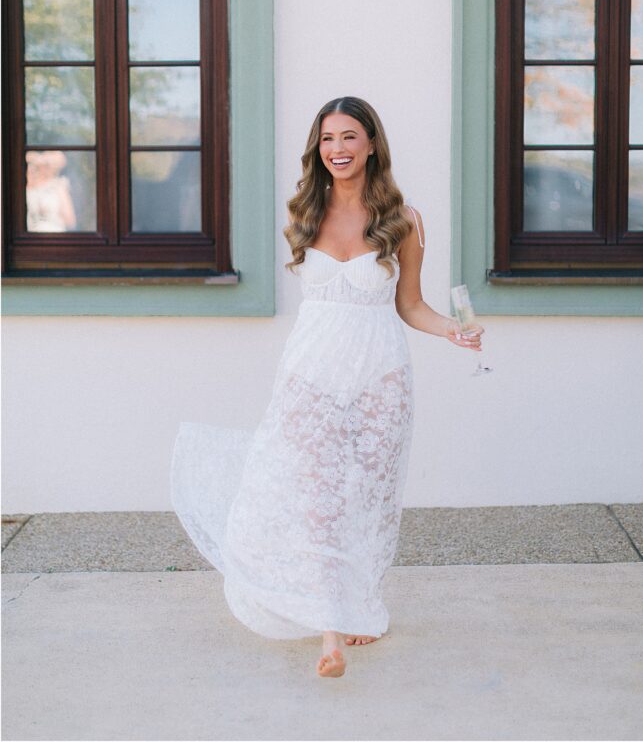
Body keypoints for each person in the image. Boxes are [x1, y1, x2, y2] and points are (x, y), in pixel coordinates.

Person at [170, 95, 483, 679]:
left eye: (349, 138)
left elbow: (410, 305)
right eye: (327, 139)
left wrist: (453, 332)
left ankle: (359, 603)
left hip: (380, 375)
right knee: (311, 495)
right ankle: (328, 630)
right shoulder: (304, 215)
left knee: (366, 496)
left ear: (371, 145)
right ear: (318, 148)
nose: (337, 149)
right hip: (310, 374)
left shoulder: (403, 220)